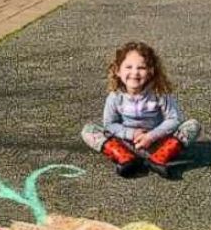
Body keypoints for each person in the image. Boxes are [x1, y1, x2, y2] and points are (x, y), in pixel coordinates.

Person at [81, 41, 201, 178]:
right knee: (88, 130)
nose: (134, 73)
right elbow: (110, 124)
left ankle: (158, 160)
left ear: (151, 71)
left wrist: (151, 136)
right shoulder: (115, 96)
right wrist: (131, 133)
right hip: (127, 145)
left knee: (192, 125)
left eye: (141, 68)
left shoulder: (159, 92)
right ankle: (126, 160)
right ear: (118, 71)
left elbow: (174, 119)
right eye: (128, 67)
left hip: (157, 144)